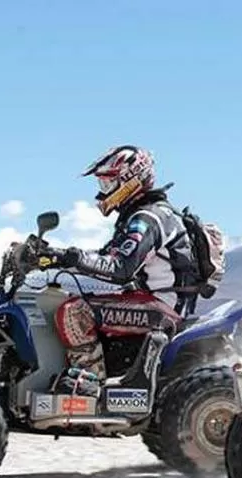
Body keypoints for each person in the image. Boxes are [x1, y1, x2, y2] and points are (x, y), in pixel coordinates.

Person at [38, 144, 205, 396]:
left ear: (130, 180)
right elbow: (108, 257)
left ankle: (90, 387)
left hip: (161, 307)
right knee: (75, 295)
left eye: (107, 184)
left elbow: (120, 268)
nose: (102, 192)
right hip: (151, 301)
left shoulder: (148, 218)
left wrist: (72, 257)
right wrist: (56, 258)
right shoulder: (142, 214)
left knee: (74, 312)